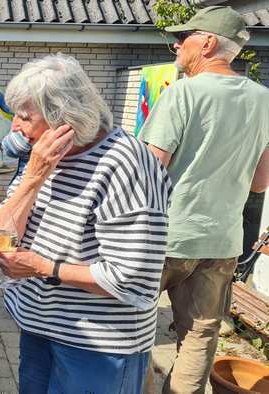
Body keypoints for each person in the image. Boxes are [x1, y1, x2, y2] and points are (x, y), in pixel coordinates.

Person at [0, 54, 172, 393]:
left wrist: (44, 267)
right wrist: (33, 177)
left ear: (65, 118)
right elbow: (2, 231)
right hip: (39, 326)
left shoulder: (125, 163)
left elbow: (132, 278)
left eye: (24, 116)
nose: (15, 126)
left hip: (98, 345)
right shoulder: (45, 156)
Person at [138, 6, 269, 393]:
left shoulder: (182, 92)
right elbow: (260, 184)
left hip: (165, 237)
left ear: (208, 43)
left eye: (185, 36)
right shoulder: (263, 100)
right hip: (221, 241)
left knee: (131, 327)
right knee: (199, 337)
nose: (177, 44)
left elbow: (147, 171)